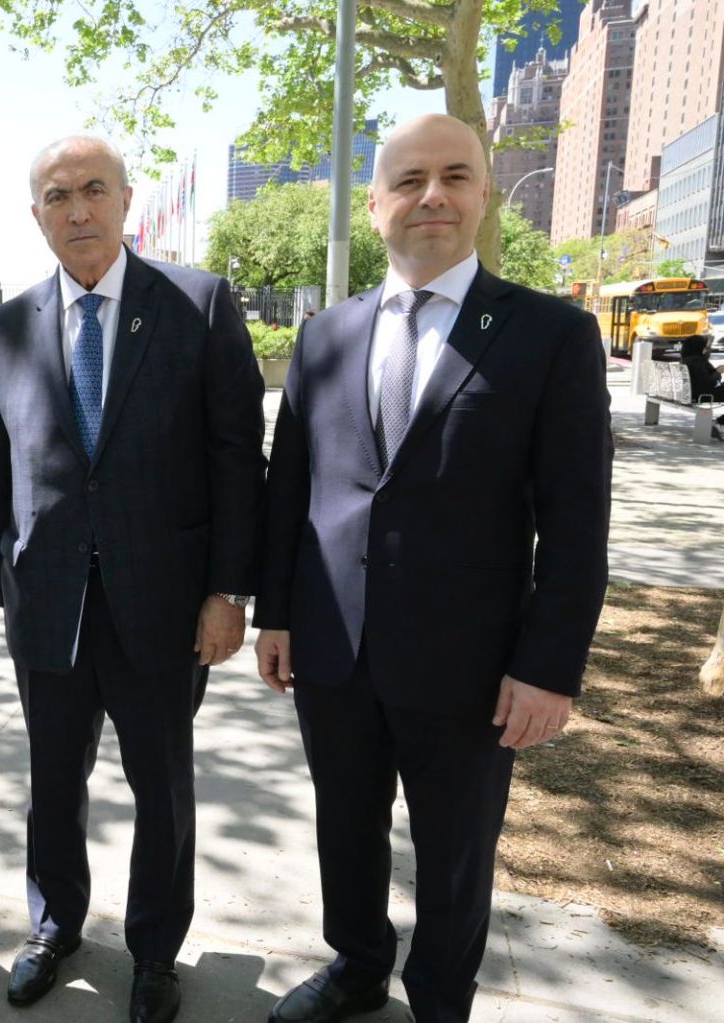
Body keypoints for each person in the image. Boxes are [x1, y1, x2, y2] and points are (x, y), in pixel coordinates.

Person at [254, 114, 613, 1023]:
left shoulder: (551, 334)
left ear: (485, 194)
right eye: (409, 180)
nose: (432, 196)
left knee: (456, 849)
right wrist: (277, 615)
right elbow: (291, 490)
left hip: (471, 665)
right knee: (345, 825)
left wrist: (549, 667)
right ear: (376, 204)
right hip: (334, 649)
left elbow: (577, 524)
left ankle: (441, 997)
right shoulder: (325, 336)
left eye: (455, 176)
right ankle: (356, 964)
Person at [0, 135, 266, 1023]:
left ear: (126, 200)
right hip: (49, 606)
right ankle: (54, 924)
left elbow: (237, 459)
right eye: (58, 196)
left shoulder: (198, 304)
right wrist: (7, 582)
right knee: (52, 782)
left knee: (162, 788)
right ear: (37, 216)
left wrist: (229, 591)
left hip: (164, 607)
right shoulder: (4, 326)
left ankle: (154, 951)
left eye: (94, 190)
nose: (78, 210)